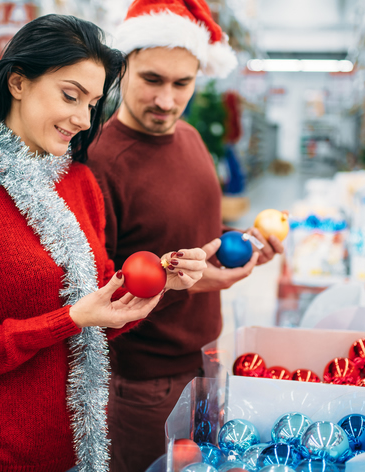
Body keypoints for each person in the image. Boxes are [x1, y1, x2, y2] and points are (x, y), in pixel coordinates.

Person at [0, 14, 208, 472]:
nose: (82, 118)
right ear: (18, 82)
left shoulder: (80, 182)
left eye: (92, 103)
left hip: (76, 453)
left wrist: (162, 282)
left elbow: (98, 314)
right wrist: (66, 319)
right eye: (70, 95)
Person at [86, 1, 285, 470]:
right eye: (152, 80)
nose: (167, 100)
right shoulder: (100, 163)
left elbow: (193, 232)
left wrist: (242, 244)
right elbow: (96, 296)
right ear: (123, 69)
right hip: (141, 383)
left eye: (182, 84)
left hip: (206, 360)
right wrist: (192, 283)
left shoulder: (192, 141)